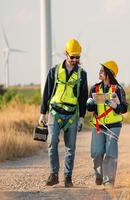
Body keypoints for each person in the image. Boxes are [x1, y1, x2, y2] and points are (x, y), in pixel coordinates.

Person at [39, 38, 88, 187]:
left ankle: (68, 177)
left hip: (72, 114)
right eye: (72, 56)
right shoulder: (54, 71)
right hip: (55, 112)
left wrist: (81, 117)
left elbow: (83, 96)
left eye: (77, 57)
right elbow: (47, 92)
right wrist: (43, 113)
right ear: (66, 54)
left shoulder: (82, 74)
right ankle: (54, 175)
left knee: (70, 147)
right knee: (51, 143)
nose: (75, 60)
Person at [86, 60, 128, 188]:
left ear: (109, 73)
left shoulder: (119, 89)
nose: (100, 72)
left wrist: (116, 106)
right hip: (98, 125)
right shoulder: (95, 88)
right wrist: (89, 105)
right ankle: (99, 174)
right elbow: (90, 108)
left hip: (114, 125)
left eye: (103, 70)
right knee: (96, 152)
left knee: (110, 152)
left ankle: (109, 180)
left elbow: (124, 108)